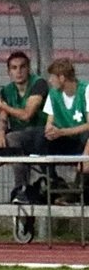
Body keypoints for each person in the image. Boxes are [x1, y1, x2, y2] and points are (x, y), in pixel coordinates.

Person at [0, 51, 47, 203]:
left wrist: (4, 106)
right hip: (17, 134)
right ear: (9, 72)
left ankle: (20, 189)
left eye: (22, 67)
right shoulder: (6, 90)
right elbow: (3, 117)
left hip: (40, 134)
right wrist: (0, 133)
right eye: (14, 68)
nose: (19, 71)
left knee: (13, 138)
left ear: (28, 68)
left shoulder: (39, 84)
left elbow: (27, 114)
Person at [42, 59, 89, 199]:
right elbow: (49, 122)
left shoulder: (85, 91)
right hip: (66, 141)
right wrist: (50, 130)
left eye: (52, 77)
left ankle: (77, 191)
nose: (50, 80)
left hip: (83, 141)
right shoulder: (53, 94)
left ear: (62, 78)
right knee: (39, 137)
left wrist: (61, 132)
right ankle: (52, 182)